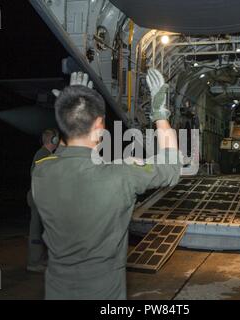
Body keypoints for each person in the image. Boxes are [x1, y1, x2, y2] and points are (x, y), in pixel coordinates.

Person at [31, 70, 181, 299]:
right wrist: (160, 113)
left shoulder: (41, 173)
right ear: (100, 127)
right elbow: (172, 167)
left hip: (56, 291)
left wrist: (69, 111)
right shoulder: (123, 175)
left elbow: (67, 157)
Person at [27, 128, 59, 272]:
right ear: (53, 140)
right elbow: (38, 177)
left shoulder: (45, 154)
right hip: (39, 197)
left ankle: (40, 259)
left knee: (42, 230)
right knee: (36, 230)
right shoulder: (43, 155)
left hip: (40, 197)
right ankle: (34, 263)